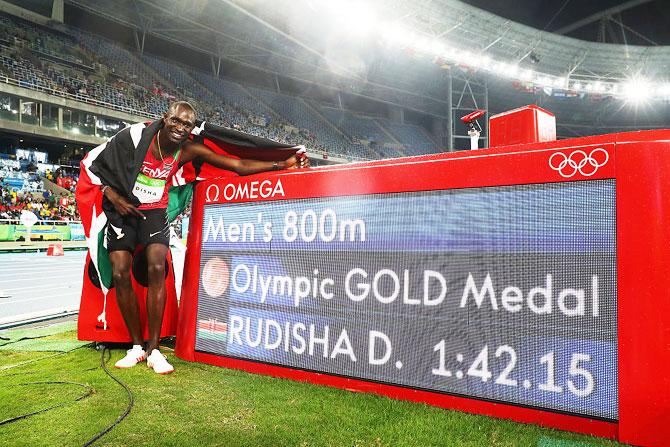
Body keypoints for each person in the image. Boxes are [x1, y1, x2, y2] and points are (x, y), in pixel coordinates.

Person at [85, 101, 308, 374]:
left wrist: (282, 164)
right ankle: (136, 347)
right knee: (121, 273)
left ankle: (154, 350)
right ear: (165, 118)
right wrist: (114, 196)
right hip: (122, 209)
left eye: (187, 125)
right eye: (176, 121)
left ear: (191, 129)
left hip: (154, 211)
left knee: (156, 267)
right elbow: (99, 167)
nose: (180, 128)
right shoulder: (134, 138)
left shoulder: (187, 150)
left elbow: (237, 164)